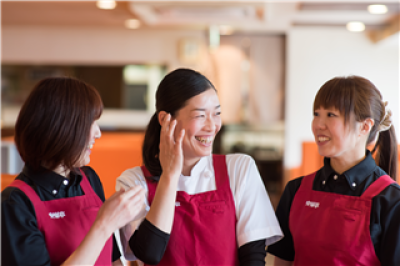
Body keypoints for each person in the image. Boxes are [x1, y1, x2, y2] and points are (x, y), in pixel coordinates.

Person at [116, 68, 283, 266]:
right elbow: (149, 253)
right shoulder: (134, 182)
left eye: (217, 113)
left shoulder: (239, 169)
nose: (212, 126)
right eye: (200, 115)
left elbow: (253, 258)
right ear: (165, 119)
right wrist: (169, 175)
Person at [1, 77, 145, 266]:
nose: (98, 133)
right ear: (61, 127)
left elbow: (112, 258)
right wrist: (104, 225)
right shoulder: (15, 203)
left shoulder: (90, 179)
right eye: (91, 123)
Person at [267, 76, 400, 266]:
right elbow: (282, 261)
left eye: (331, 115)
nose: (318, 125)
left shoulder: (391, 201)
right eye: (316, 114)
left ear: (364, 126)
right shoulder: (295, 191)